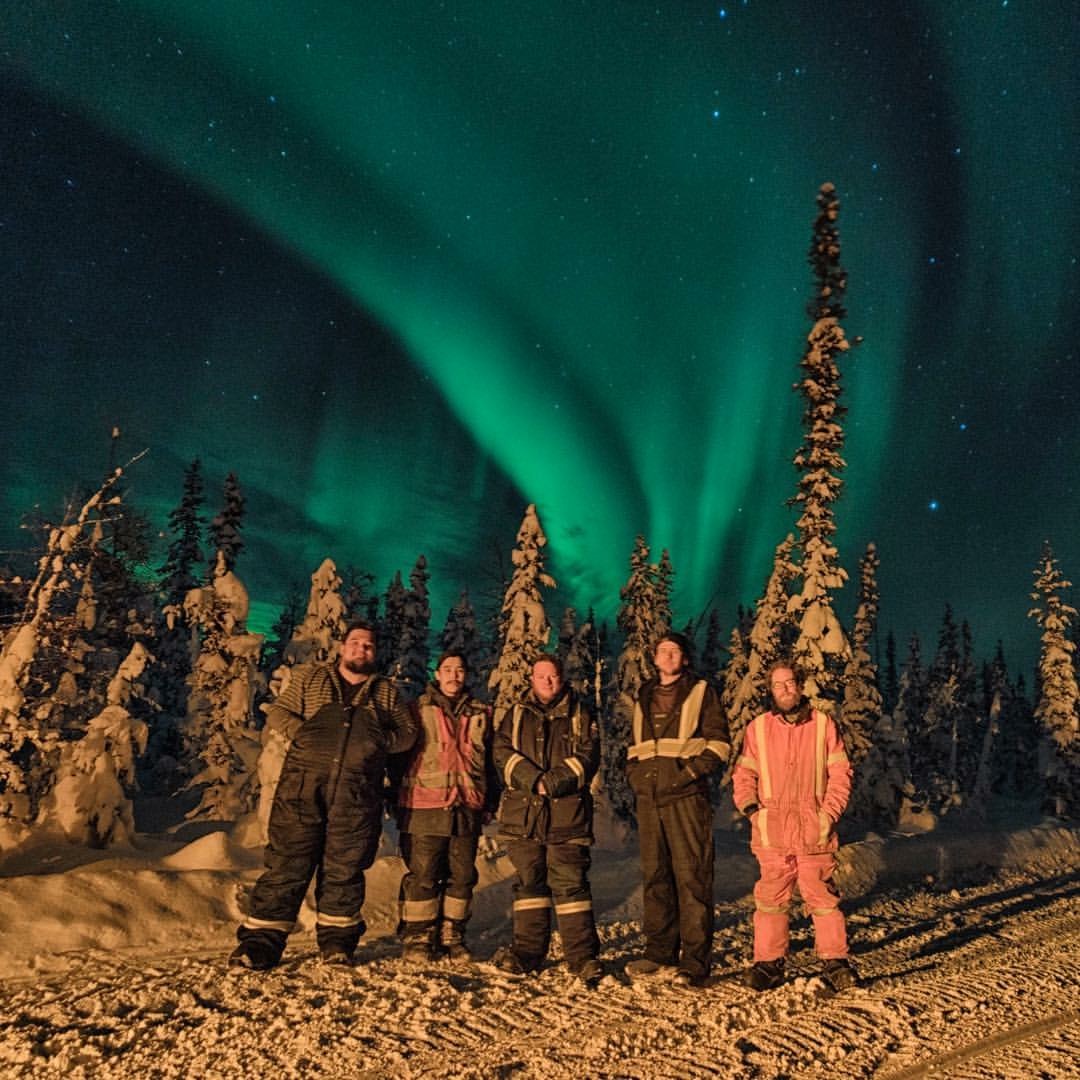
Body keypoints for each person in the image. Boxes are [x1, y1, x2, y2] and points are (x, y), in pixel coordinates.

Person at [229, 620, 418, 970]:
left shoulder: (385, 692)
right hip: (302, 787)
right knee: (287, 864)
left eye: (369, 645)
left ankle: (337, 944)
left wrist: (376, 742)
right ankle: (260, 944)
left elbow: (406, 734)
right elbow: (279, 712)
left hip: (356, 795)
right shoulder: (310, 679)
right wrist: (306, 734)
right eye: (356, 643)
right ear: (342, 647)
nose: (362, 649)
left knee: (343, 870)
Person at [732, 660, 857, 992]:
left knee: (822, 896)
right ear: (770, 690)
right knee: (771, 898)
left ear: (800, 686)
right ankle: (769, 964)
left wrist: (827, 815)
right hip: (772, 829)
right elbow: (744, 774)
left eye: (789, 683)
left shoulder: (823, 726)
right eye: (777, 685)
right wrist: (752, 810)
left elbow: (841, 775)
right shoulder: (757, 728)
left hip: (812, 827)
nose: (784, 690)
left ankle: (835, 962)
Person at [625, 632, 731, 988]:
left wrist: (688, 774)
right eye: (662, 651)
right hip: (650, 799)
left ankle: (695, 962)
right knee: (656, 878)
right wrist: (635, 777)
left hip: (686, 799)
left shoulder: (702, 692)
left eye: (675, 651)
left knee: (693, 878)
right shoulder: (643, 695)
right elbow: (635, 746)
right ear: (654, 658)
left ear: (685, 659)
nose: (668, 656)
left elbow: (719, 744)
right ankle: (659, 954)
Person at [491, 654, 603, 986]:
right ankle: (526, 954)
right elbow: (500, 752)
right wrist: (531, 778)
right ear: (531, 679)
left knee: (571, 887)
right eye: (541, 677)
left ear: (562, 678)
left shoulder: (581, 714)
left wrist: (550, 782)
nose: (548, 682)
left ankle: (582, 958)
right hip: (524, 816)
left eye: (553, 676)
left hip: (566, 815)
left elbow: (588, 756)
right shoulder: (515, 715)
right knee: (529, 886)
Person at [393, 651, 497, 962]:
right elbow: (398, 759)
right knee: (423, 873)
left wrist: (490, 801)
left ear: (466, 676)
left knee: (462, 874)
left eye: (460, 669)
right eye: (448, 669)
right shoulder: (417, 710)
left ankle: (452, 933)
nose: (454, 675)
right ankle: (418, 936)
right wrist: (395, 798)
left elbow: (492, 762)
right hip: (424, 805)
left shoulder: (482, 713)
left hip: (466, 806)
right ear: (437, 674)